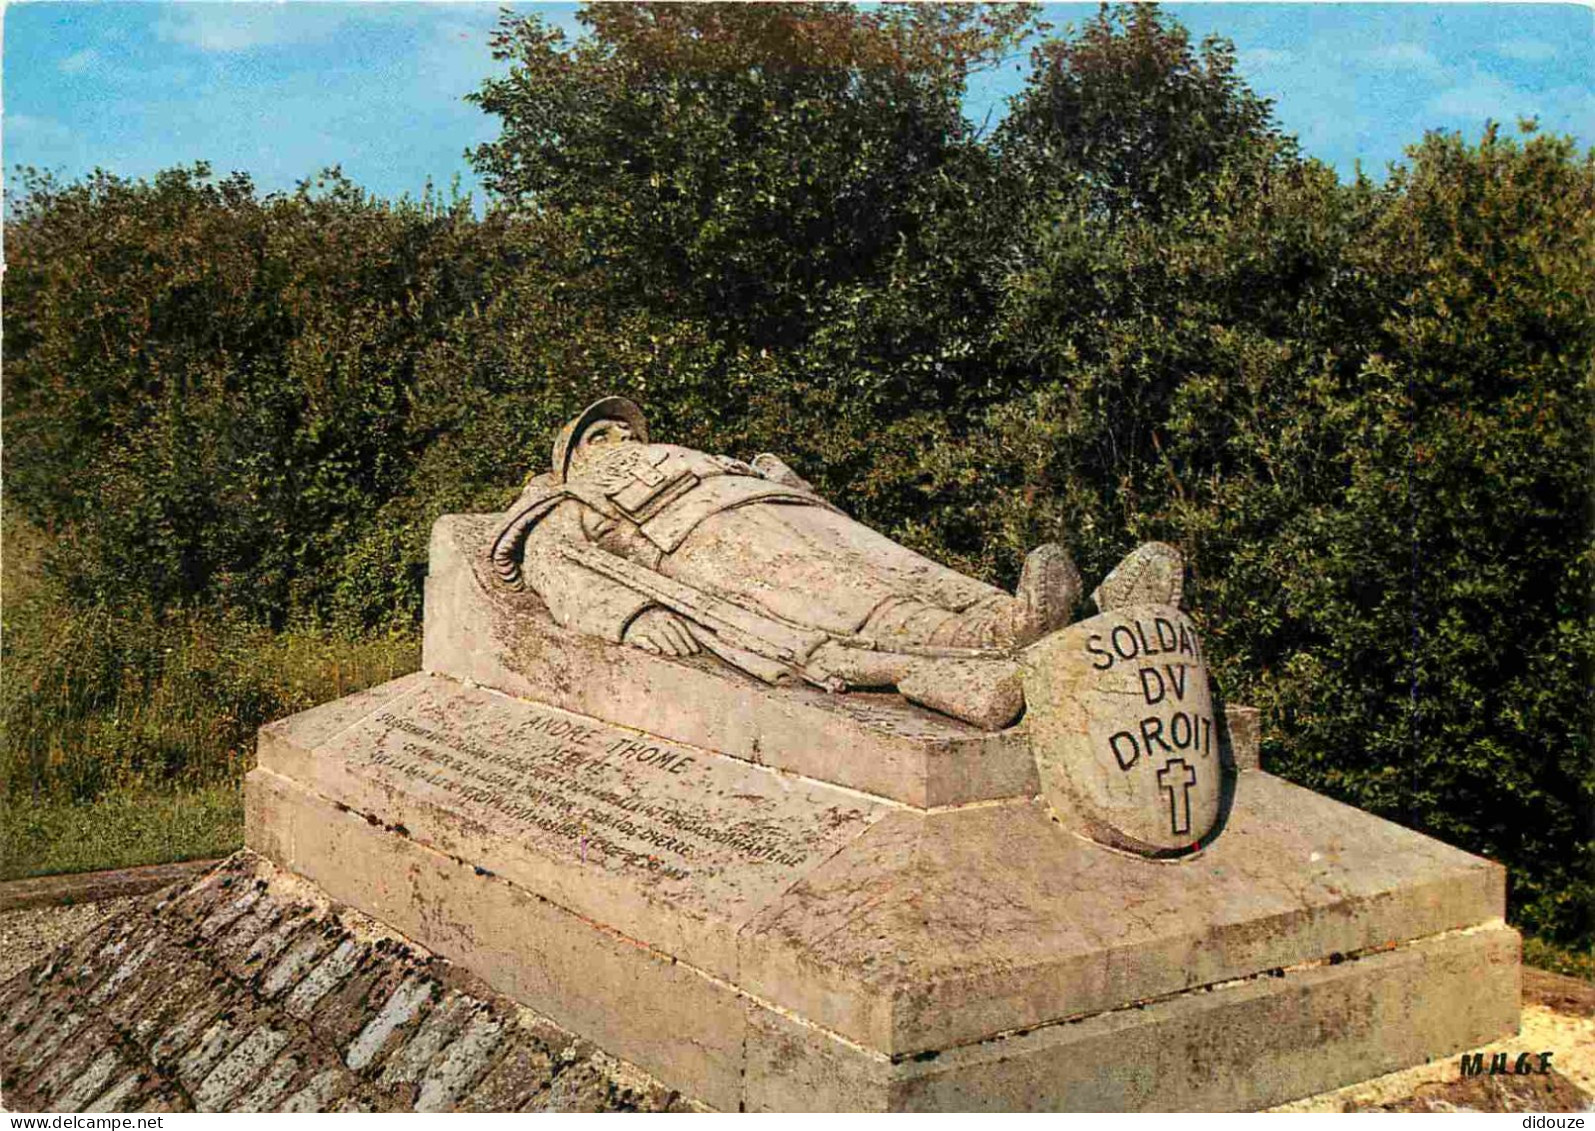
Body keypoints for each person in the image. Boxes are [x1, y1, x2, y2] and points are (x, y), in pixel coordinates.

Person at [490, 397, 1081, 727]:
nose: (618, 438)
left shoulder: (699, 456)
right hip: (708, 542)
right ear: (571, 461)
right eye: (599, 437)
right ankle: (993, 636)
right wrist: (632, 616)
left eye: (623, 429)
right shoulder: (563, 499)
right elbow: (556, 564)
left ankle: (1035, 616)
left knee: (903, 565)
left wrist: (780, 479)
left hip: (784, 508)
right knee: (861, 603)